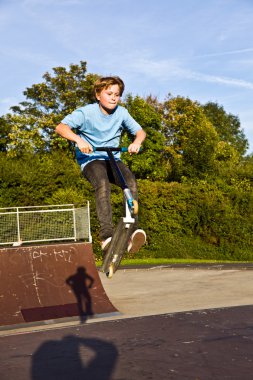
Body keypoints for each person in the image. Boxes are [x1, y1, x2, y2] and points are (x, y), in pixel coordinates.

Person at [55, 76, 146, 254]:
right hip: (91, 159)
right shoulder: (85, 113)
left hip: (113, 158)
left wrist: (137, 142)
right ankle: (106, 236)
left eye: (117, 95)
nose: (113, 97)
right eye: (109, 93)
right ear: (98, 95)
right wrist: (78, 140)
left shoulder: (122, 113)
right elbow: (61, 127)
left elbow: (140, 131)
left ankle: (132, 231)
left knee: (131, 183)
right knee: (103, 184)